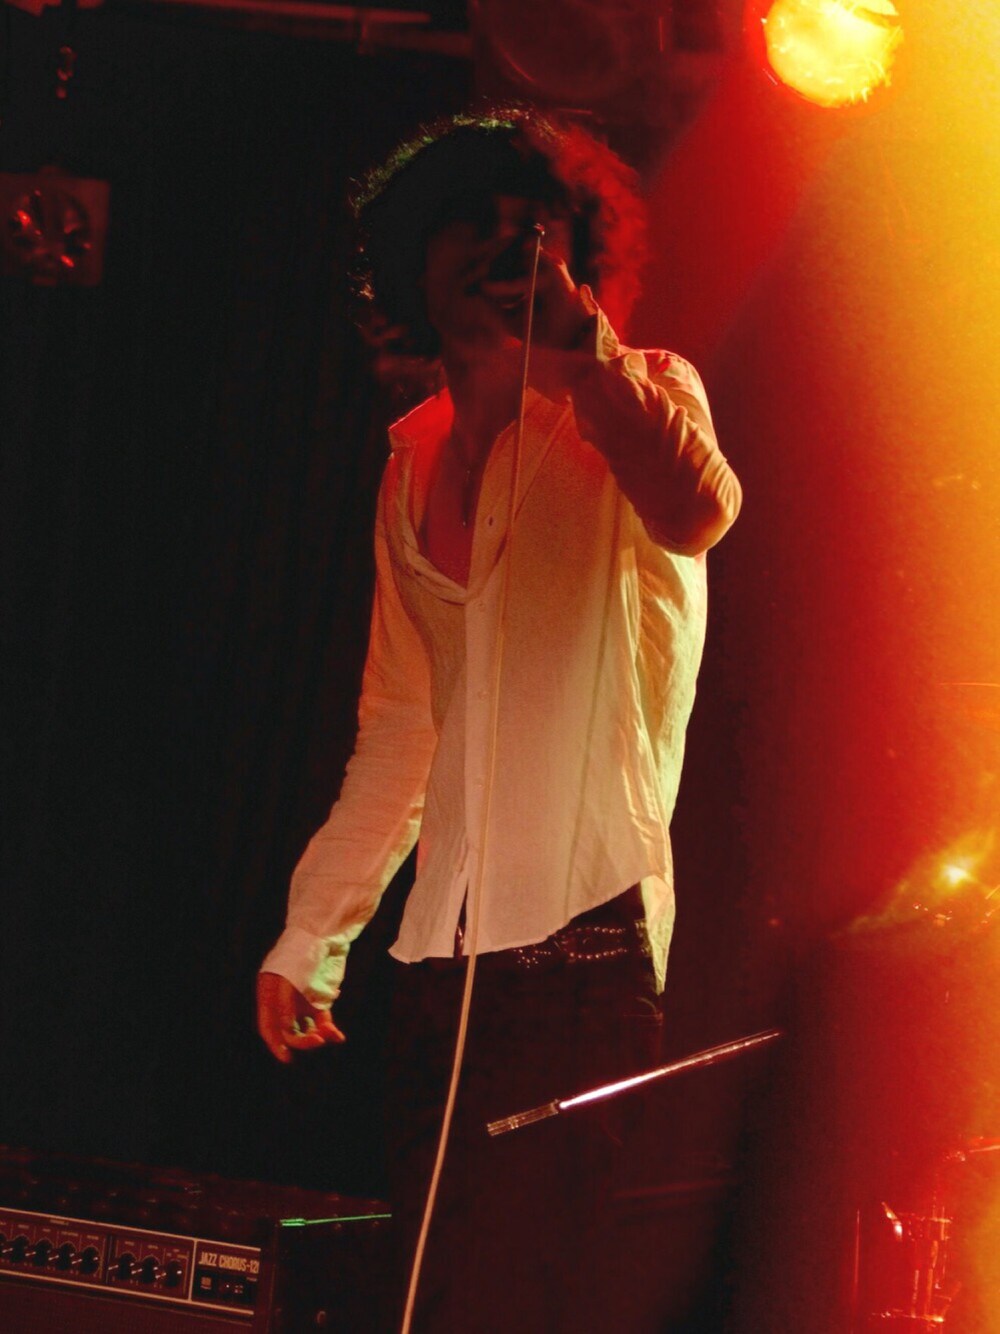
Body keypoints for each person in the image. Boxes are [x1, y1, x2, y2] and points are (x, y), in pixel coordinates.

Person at [256, 108, 742, 1332]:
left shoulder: (636, 397)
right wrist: (311, 935)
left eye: (535, 226)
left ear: (578, 255)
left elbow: (699, 509)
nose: (502, 245)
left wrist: (582, 350)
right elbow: (399, 730)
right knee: (428, 1294)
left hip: (581, 947)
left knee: (521, 1298)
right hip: (439, 960)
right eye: (471, 221)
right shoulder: (411, 461)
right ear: (415, 254)